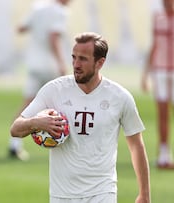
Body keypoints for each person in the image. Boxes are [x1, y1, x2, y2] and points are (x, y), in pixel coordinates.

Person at [10, 32, 151, 203]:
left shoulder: (120, 97)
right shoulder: (54, 90)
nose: (76, 64)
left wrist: (144, 194)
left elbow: (136, 146)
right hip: (62, 194)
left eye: (83, 59)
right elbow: (15, 129)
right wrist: (37, 123)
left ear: (100, 63)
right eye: (74, 57)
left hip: (103, 192)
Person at [9, 0, 71, 161]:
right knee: (64, 103)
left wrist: (37, 25)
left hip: (33, 65)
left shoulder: (38, 8)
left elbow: (20, 28)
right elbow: (53, 37)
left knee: (28, 104)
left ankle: (14, 145)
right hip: (50, 66)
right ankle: (65, 142)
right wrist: (61, 63)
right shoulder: (60, 12)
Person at [141, 0, 174, 169]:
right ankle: (163, 155)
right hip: (160, 70)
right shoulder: (158, 18)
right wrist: (145, 74)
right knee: (162, 112)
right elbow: (154, 45)